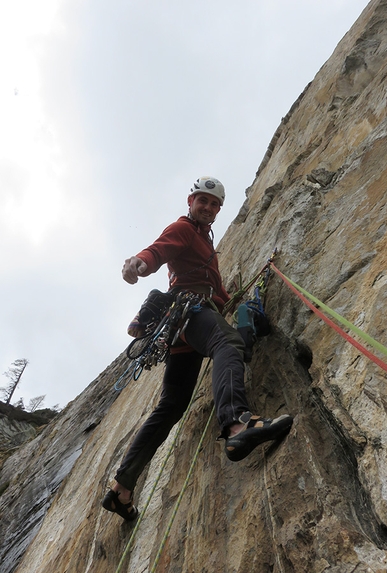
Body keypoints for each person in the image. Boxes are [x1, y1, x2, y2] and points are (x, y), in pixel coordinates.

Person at [102, 176, 294, 521]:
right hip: (190, 312)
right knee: (228, 341)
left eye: (213, 203)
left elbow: (212, 289)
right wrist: (140, 263)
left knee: (171, 406)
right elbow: (160, 249)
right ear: (190, 202)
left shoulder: (204, 242)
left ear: (219, 210)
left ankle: (122, 489)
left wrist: (226, 295)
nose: (206, 207)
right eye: (201, 200)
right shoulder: (185, 229)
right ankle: (238, 423)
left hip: (182, 332)